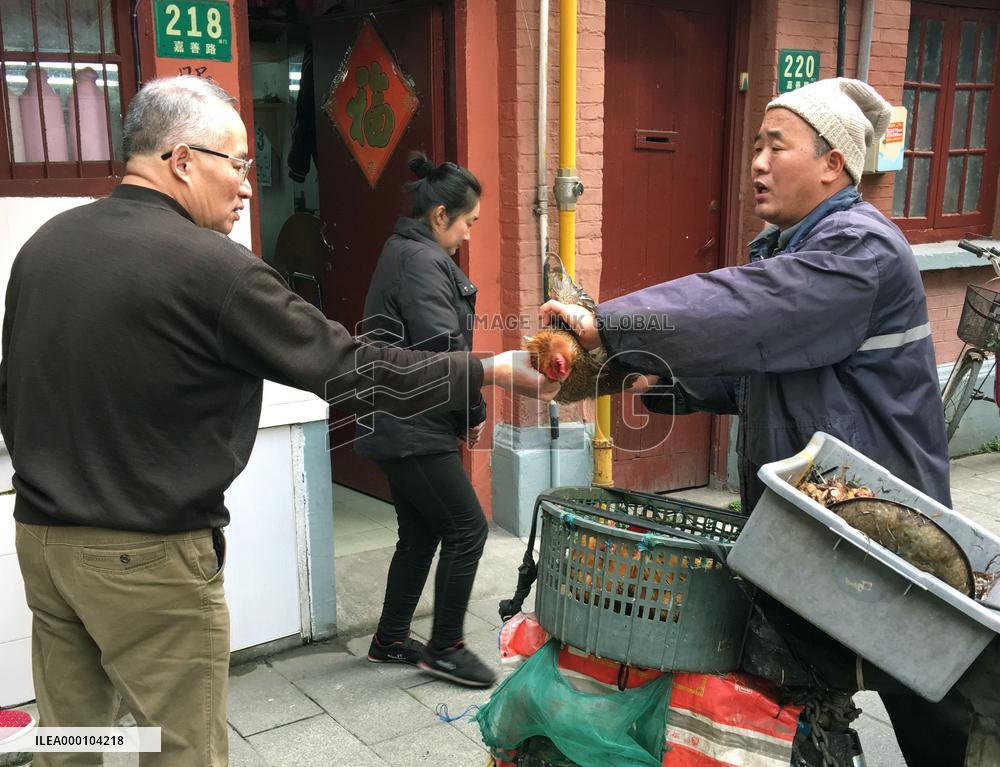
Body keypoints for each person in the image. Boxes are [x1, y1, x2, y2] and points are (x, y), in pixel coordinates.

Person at [0, 76, 557, 767]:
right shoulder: (212, 269)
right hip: (144, 557)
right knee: (181, 748)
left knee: (73, 733)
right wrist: (490, 369)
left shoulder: (45, 247)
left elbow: (15, 391)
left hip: (44, 543)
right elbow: (353, 367)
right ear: (180, 159)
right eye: (236, 165)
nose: (244, 187)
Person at [541, 78, 964, 766]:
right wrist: (647, 375)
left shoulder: (859, 249)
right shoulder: (794, 247)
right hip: (827, 527)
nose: (758, 163)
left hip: (886, 534)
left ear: (834, 164)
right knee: (852, 688)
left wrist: (613, 325)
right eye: (756, 146)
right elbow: (756, 368)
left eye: (777, 146)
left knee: (933, 706)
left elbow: (748, 309)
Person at [356, 153, 496, 688]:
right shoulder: (421, 262)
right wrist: (474, 413)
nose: (466, 234)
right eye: (466, 222)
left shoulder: (407, 252)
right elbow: (443, 350)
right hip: (412, 421)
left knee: (418, 535)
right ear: (440, 215)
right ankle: (446, 647)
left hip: (399, 418)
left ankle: (391, 638)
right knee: (467, 528)